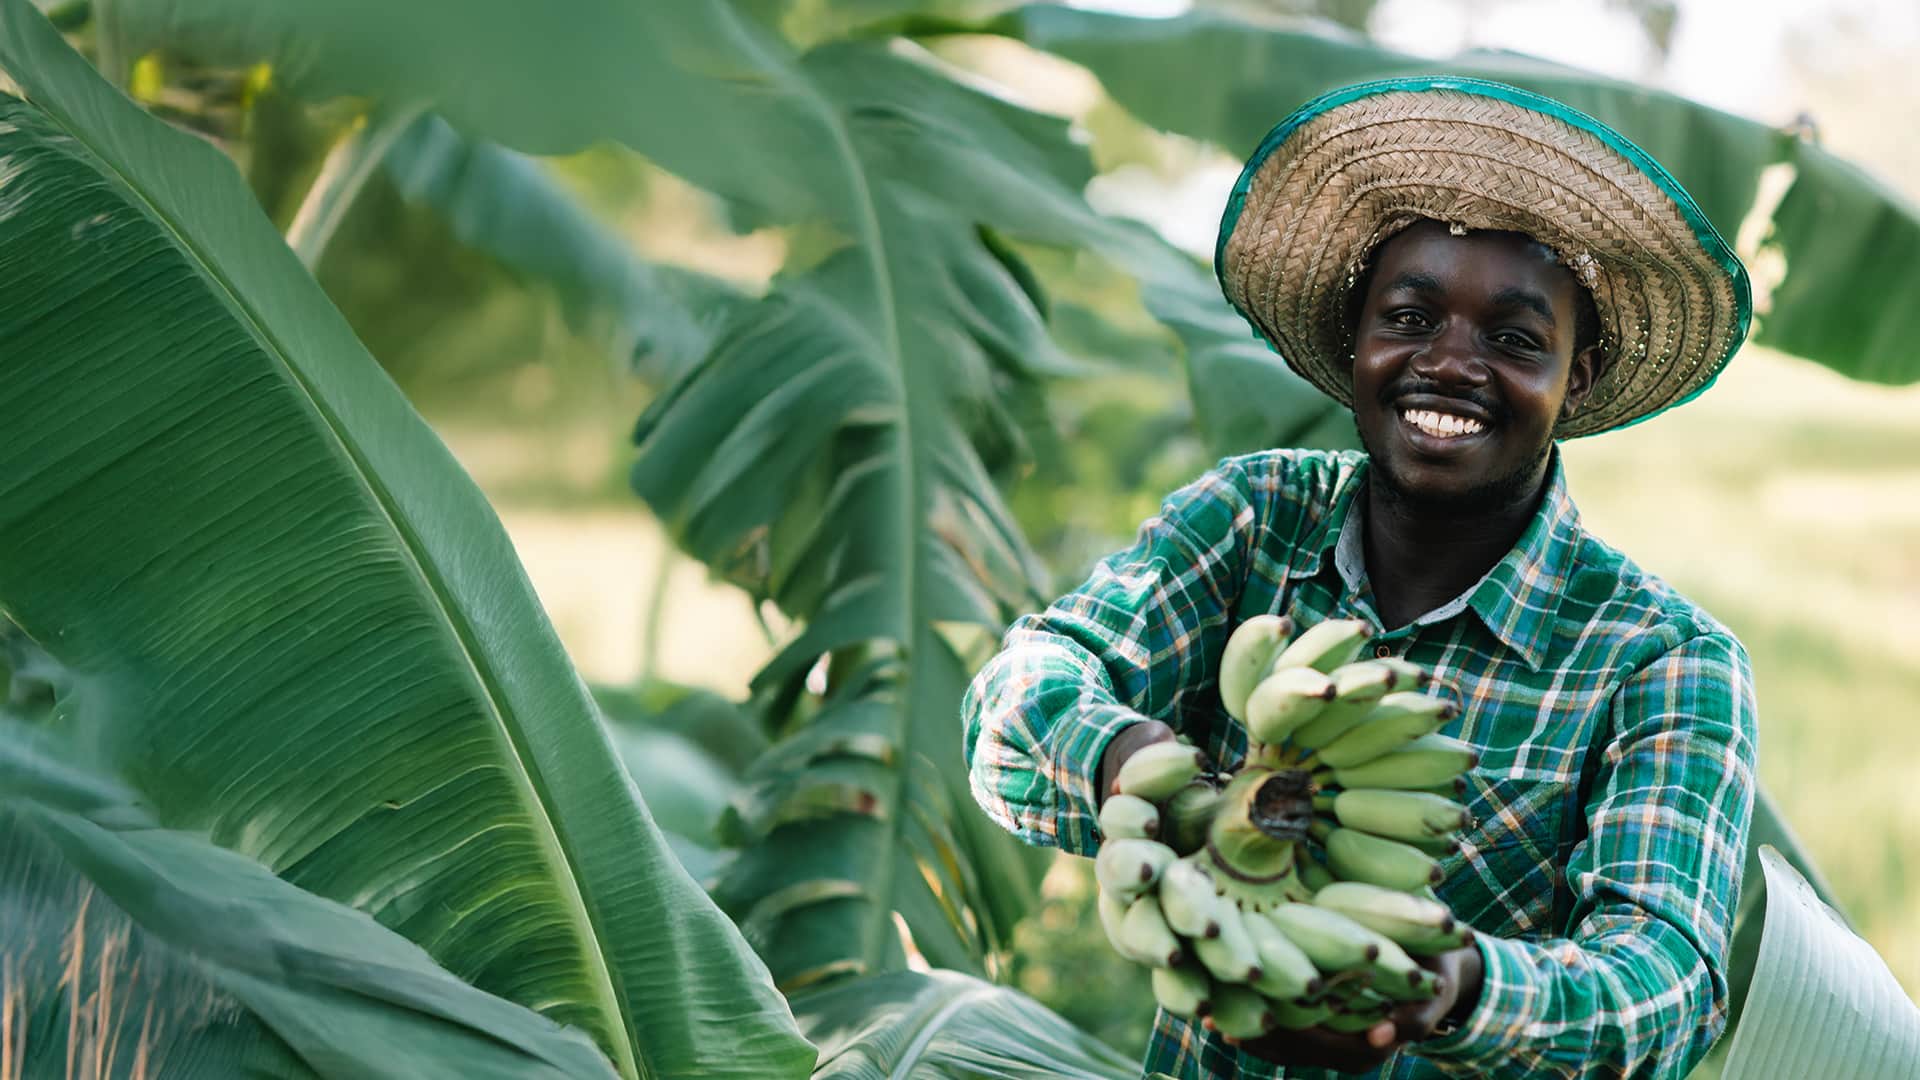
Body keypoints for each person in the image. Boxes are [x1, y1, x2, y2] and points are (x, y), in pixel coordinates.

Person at [961, 76, 1758, 1079]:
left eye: (1514, 340)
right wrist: (1132, 761)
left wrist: (1453, 990)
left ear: (1577, 377)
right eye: (1411, 317)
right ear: (1357, 340)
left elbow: (1667, 989)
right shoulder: (1253, 524)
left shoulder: (1663, 661)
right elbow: (1012, 702)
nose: (1451, 364)